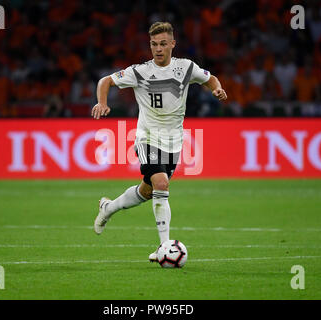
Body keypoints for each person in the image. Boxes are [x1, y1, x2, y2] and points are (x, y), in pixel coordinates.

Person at [91, 22, 227, 262]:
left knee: (147, 190)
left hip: (174, 142)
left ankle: (108, 208)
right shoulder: (139, 71)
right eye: (154, 44)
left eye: (163, 44)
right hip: (147, 138)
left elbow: (210, 78)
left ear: (173, 44)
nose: (158, 49)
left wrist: (217, 89)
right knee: (161, 184)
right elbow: (105, 81)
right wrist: (102, 102)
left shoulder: (185, 68)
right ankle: (165, 247)